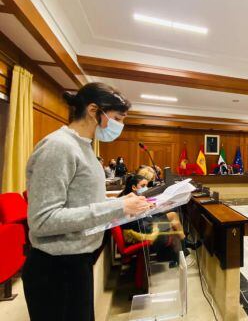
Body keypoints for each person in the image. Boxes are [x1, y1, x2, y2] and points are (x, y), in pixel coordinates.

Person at [23, 82, 151, 321]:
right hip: (55, 268)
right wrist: (117, 206)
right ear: (94, 111)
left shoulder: (85, 148)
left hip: (77, 261)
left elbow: (84, 200)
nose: (120, 125)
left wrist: (125, 204)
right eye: (117, 118)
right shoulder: (59, 147)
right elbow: (43, 220)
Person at [118, 174, 189, 266]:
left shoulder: (136, 197)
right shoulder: (130, 200)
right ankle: (183, 250)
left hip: (145, 224)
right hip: (142, 230)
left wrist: (151, 207)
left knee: (173, 218)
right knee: (173, 222)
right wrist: (147, 209)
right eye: (143, 186)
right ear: (134, 187)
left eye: (146, 186)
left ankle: (180, 254)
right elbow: (132, 220)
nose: (146, 188)